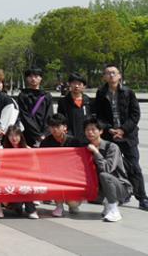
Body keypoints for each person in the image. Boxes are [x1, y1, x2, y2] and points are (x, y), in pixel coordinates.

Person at [94, 65, 147, 211]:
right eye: (108, 73)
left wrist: (123, 130)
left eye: (114, 73)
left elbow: (135, 114)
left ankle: (142, 197)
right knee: (114, 167)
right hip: (110, 136)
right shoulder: (101, 93)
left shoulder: (128, 92)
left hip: (128, 136)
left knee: (134, 166)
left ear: (119, 76)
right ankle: (123, 193)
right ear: (104, 77)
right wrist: (109, 129)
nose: (111, 75)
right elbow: (98, 115)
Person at [84, 118, 133, 222]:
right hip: (99, 187)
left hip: (120, 187)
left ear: (101, 131)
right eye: (87, 130)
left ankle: (114, 210)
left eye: (93, 129)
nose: (90, 132)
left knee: (104, 175)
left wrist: (96, 152)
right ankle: (107, 203)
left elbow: (107, 169)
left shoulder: (112, 147)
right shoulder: (85, 148)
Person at [39, 113, 83, 217]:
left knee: (73, 204)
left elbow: (79, 162)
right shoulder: (45, 143)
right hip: (54, 175)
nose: (54, 129)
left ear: (65, 127)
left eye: (57, 126)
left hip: (72, 177)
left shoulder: (74, 142)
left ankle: (72, 204)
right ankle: (59, 205)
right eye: (52, 127)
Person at [16, 68, 54, 147]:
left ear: (41, 78)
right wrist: (37, 135)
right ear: (27, 78)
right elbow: (24, 116)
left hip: (45, 135)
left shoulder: (46, 96)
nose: (33, 79)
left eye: (36, 76)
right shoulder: (23, 96)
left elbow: (49, 116)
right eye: (30, 76)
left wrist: (45, 133)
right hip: (28, 133)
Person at [56, 73, 92, 141]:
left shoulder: (89, 101)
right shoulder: (63, 102)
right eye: (74, 83)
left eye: (79, 84)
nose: (76, 86)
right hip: (69, 138)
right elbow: (60, 120)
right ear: (69, 84)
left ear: (84, 86)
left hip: (87, 138)